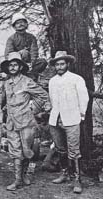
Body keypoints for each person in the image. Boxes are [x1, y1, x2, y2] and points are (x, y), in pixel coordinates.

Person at [0, 52, 50, 191]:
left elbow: (43, 95)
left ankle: (24, 175)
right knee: (15, 151)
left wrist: (34, 109)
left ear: (21, 67)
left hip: (26, 121)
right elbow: (3, 101)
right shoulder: (6, 83)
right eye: (10, 65)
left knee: (26, 150)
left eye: (15, 64)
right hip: (11, 122)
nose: (13, 67)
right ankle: (17, 180)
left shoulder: (27, 81)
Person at [48, 51, 89, 194]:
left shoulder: (76, 79)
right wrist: (55, 116)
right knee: (60, 149)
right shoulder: (52, 81)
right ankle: (64, 173)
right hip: (55, 119)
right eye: (57, 64)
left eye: (62, 64)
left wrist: (80, 116)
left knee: (74, 151)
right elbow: (52, 100)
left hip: (71, 119)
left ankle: (77, 179)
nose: (59, 67)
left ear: (67, 64)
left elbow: (84, 99)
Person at [4, 12, 48, 81]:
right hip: (16, 63)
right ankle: (23, 74)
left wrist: (32, 63)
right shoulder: (11, 38)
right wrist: (19, 56)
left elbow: (34, 52)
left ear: (26, 24)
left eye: (22, 22)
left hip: (30, 64)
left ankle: (30, 74)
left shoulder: (31, 37)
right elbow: (8, 54)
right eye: (17, 23)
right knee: (24, 53)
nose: (20, 24)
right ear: (14, 26)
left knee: (43, 62)